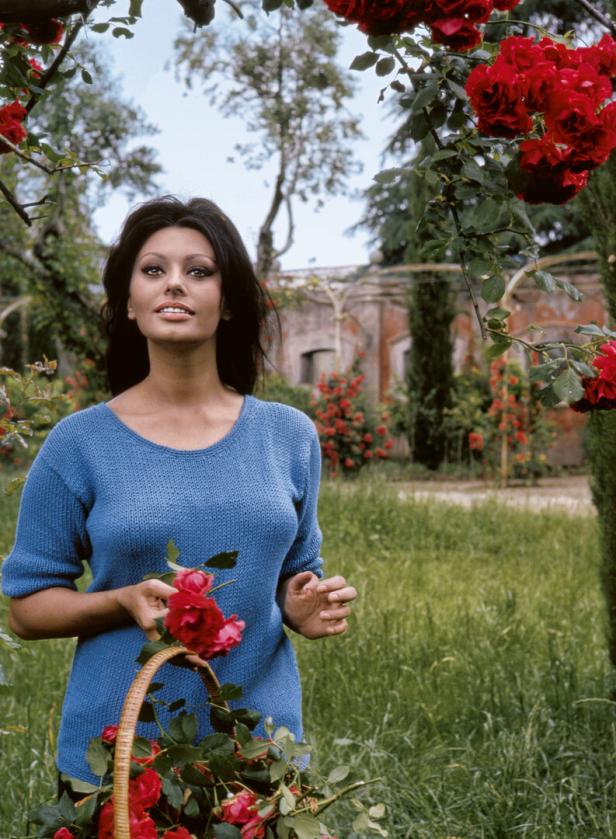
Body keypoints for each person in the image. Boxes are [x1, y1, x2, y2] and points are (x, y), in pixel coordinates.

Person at [2, 195, 357, 797]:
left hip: (258, 749)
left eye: (199, 270)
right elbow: (28, 609)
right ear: (130, 304)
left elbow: (294, 577)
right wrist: (120, 601)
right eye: (153, 270)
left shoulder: (288, 436)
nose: (175, 284)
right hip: (120, 756)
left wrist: (301, 607)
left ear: (228, 303)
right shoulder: (79, 444)